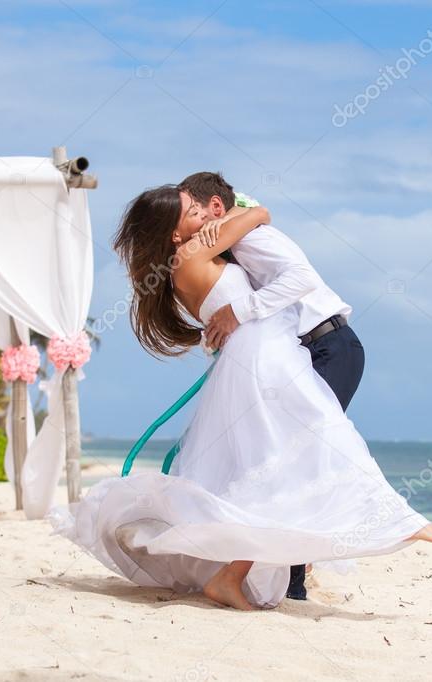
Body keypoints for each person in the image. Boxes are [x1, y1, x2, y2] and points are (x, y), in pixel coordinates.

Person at [46, 185, 432, 612]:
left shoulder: (185, 263)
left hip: (259, 357)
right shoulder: (192, 254)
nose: (204, 219)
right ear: (175, 234)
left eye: (200, 208)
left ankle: (237, 573)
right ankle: (402, 523)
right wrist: (245, 212)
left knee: (278, 461)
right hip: (263, 360)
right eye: (192, 212)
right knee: (315, 440)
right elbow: (256, 214)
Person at [178, 171, 361, 600]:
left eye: (189, 214)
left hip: (329, 345)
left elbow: (301, 279)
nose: (183, 229)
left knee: (297, 457)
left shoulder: (248, 238)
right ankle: (289, 578)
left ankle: (289, 579)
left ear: (215, 210)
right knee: (290, 456)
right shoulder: (233, 243)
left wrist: (239, 312)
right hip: (313, 348)